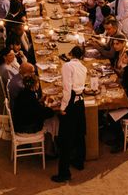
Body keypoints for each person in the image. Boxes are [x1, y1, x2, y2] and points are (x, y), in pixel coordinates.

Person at [52, 46, 87, 183]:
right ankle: (79, 161)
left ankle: (64, 173)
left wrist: (63, 107)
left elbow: (67, 88)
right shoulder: (83, 67)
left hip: (71, 103)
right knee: (79, 133)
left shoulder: (67, 66)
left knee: (65, 138)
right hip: (80, 101)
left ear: (70, 54)